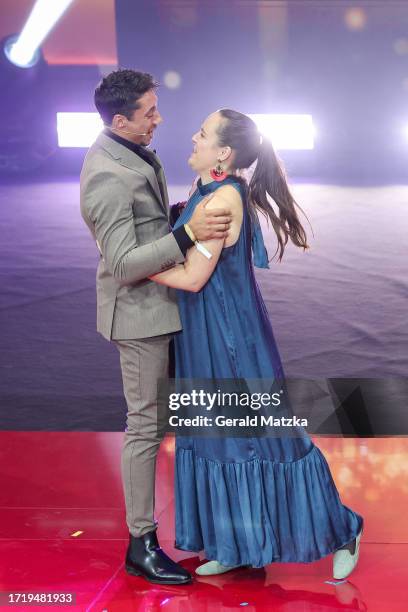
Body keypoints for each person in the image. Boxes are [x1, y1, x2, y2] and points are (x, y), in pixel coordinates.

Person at [149, 109, 364, 578]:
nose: (193, 136)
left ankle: (343, 528)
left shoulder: (220, 201)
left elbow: (191, 277)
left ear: (223, 152)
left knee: (270, 444)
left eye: (202, 133)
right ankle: (233, 543)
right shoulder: (210, 190)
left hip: (228, 341)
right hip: (206, 333)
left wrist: (131, 265)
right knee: (216, 440)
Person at [80, 69, 233, 586]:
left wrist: (181, 214)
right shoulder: (106, 173)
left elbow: (145, 222)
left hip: (163, 302)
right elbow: (123, 264)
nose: (159, 118)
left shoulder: (134, 152)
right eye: (149, 112)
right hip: (140, 314)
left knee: (170, 420)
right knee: (145, 426)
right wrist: (188, 232)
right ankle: (140, 544)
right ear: (120, 120)